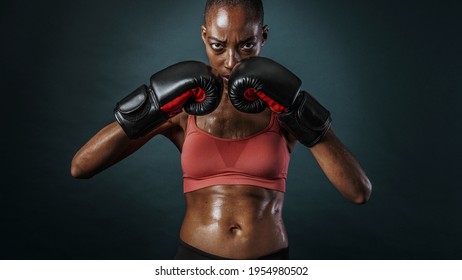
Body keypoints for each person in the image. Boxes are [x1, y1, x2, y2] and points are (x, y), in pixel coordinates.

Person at [71, 0, 372, 260]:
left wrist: (299, 111)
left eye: (246, 45)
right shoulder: (183, 108)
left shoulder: (280, 105)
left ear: (263, 36)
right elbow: (81, 167)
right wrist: (152, 104)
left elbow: (359, 192)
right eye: (218, 45)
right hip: (195, 259)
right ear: (204, 36)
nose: (231, 61)